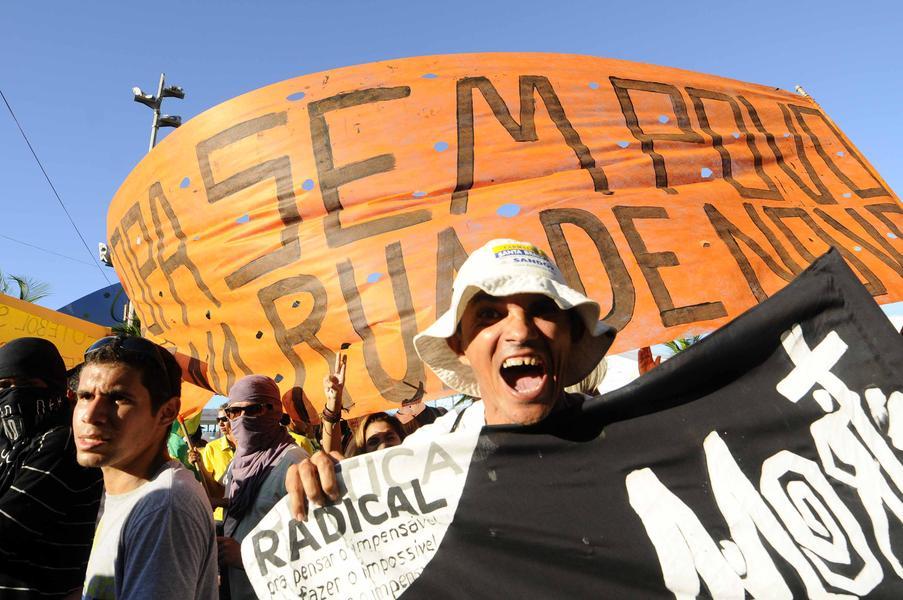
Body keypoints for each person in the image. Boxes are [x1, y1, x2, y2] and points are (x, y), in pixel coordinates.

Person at [286, 238, 615, 519]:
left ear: (571, 332)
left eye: (543, 309)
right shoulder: (429, 454)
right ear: (459, 345)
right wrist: (325, 477)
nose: (520, 331)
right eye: (489, 314)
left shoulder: (624, 436)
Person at [74, 335, 217, 599]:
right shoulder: (128, 493)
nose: (90, 415)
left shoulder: (164, 507)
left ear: (167, 412)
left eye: (118, 399)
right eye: (84, 396)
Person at [0, 338, 103, 599]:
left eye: (27, 384)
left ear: (55, 388)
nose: (13, 395)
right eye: (3, 385)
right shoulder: (13, 444)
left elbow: (7, 529)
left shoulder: (63, 442)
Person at [218, 375, 309, 599]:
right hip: (234, 587)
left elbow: (312, 545)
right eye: (234, 412)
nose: (242, 418)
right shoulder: (237, 463)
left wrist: (246, 557)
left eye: (253, 409)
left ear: (275, 411)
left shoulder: (293, 463)